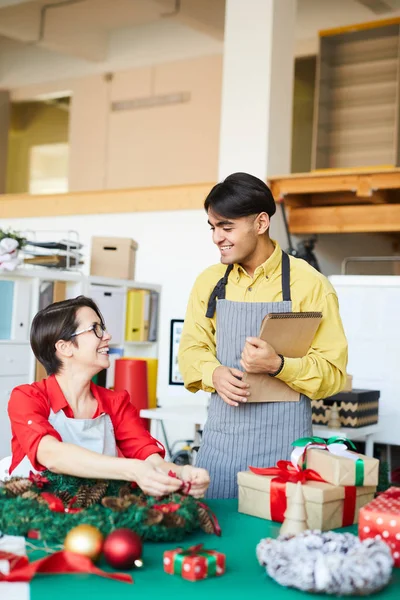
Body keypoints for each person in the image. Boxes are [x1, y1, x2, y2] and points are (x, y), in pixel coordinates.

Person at [178, 172, 348, 499]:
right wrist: (212, 372)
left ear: (260, 223)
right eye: (213, 227)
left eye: (226, 227)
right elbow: (190, 349)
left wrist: (279, 364)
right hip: (220, 450)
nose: (217, 237)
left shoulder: (310, 285)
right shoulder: (209, 282)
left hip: (285, 454)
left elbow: (333, 375)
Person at [7, 296, 210, 498]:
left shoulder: (115, 403)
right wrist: (132, 470)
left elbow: (150, 460)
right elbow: (51, 455)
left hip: (94, 516)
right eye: (95, 329)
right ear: (64, 347)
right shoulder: (27, 398)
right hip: (31, 515)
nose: (107, 335)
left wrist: (183, 473)